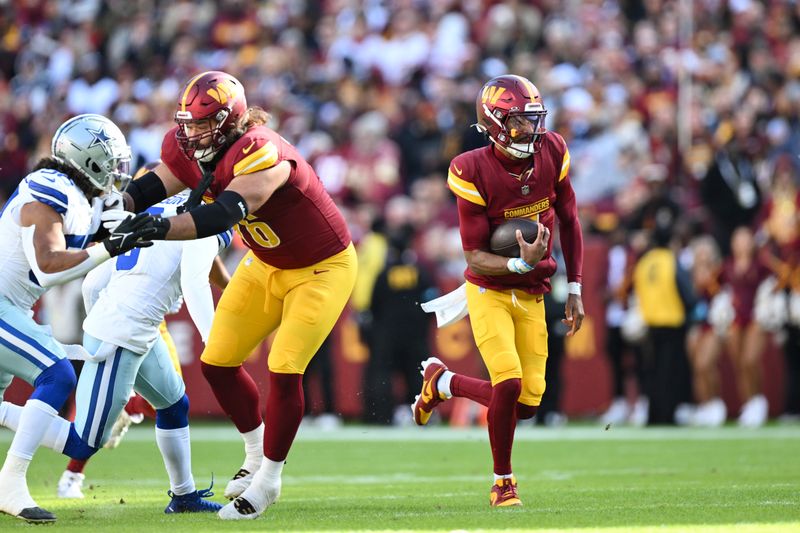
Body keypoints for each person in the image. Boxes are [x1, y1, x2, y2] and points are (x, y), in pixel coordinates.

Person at [120, 71, 357, 520]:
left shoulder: (260, 150)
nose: (190, 134)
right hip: (267, 264)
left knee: (284, 368)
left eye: (201, 125)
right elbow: (161, 179)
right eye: (186, 124)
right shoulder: (192, 147)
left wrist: (157, 227)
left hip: (322, 267)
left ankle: (268, 480)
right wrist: (121, 207)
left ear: (230, 121)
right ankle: (253, 453)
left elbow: (223, 214)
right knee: (218, 363)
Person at [0, 191, 231, 513]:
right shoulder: (210, 215)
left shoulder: (159, 208)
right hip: (123, 334)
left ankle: (184, 496)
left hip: (131, 328)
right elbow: (194, 282)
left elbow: (93, 283)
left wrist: (104, 320)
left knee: (174, 404)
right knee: (83, 442)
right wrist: (216, 342)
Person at [414, 75, 584, 507]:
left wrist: (576, 286)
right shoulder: (469, 168)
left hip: (532, 290)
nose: (532, 131)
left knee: (526, 404)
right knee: (506, 382)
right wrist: (518, 261)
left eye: (534, 121)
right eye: (520, 123)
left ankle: (443, 382)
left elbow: (570, 219)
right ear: (494, 125)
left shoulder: (554, 150)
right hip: (489, 287)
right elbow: (473, 256)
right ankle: (503, 482)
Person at [0, 114, 153, 523]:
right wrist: (109, 246)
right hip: (2, 305)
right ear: (90, 160)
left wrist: (107, 237)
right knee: (58, 375)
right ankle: (10, 483)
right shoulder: (50, 190)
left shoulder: (77, 197)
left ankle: (74, 445)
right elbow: (49, 265)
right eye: (113, 162)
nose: (118, 173)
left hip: (12, 307)